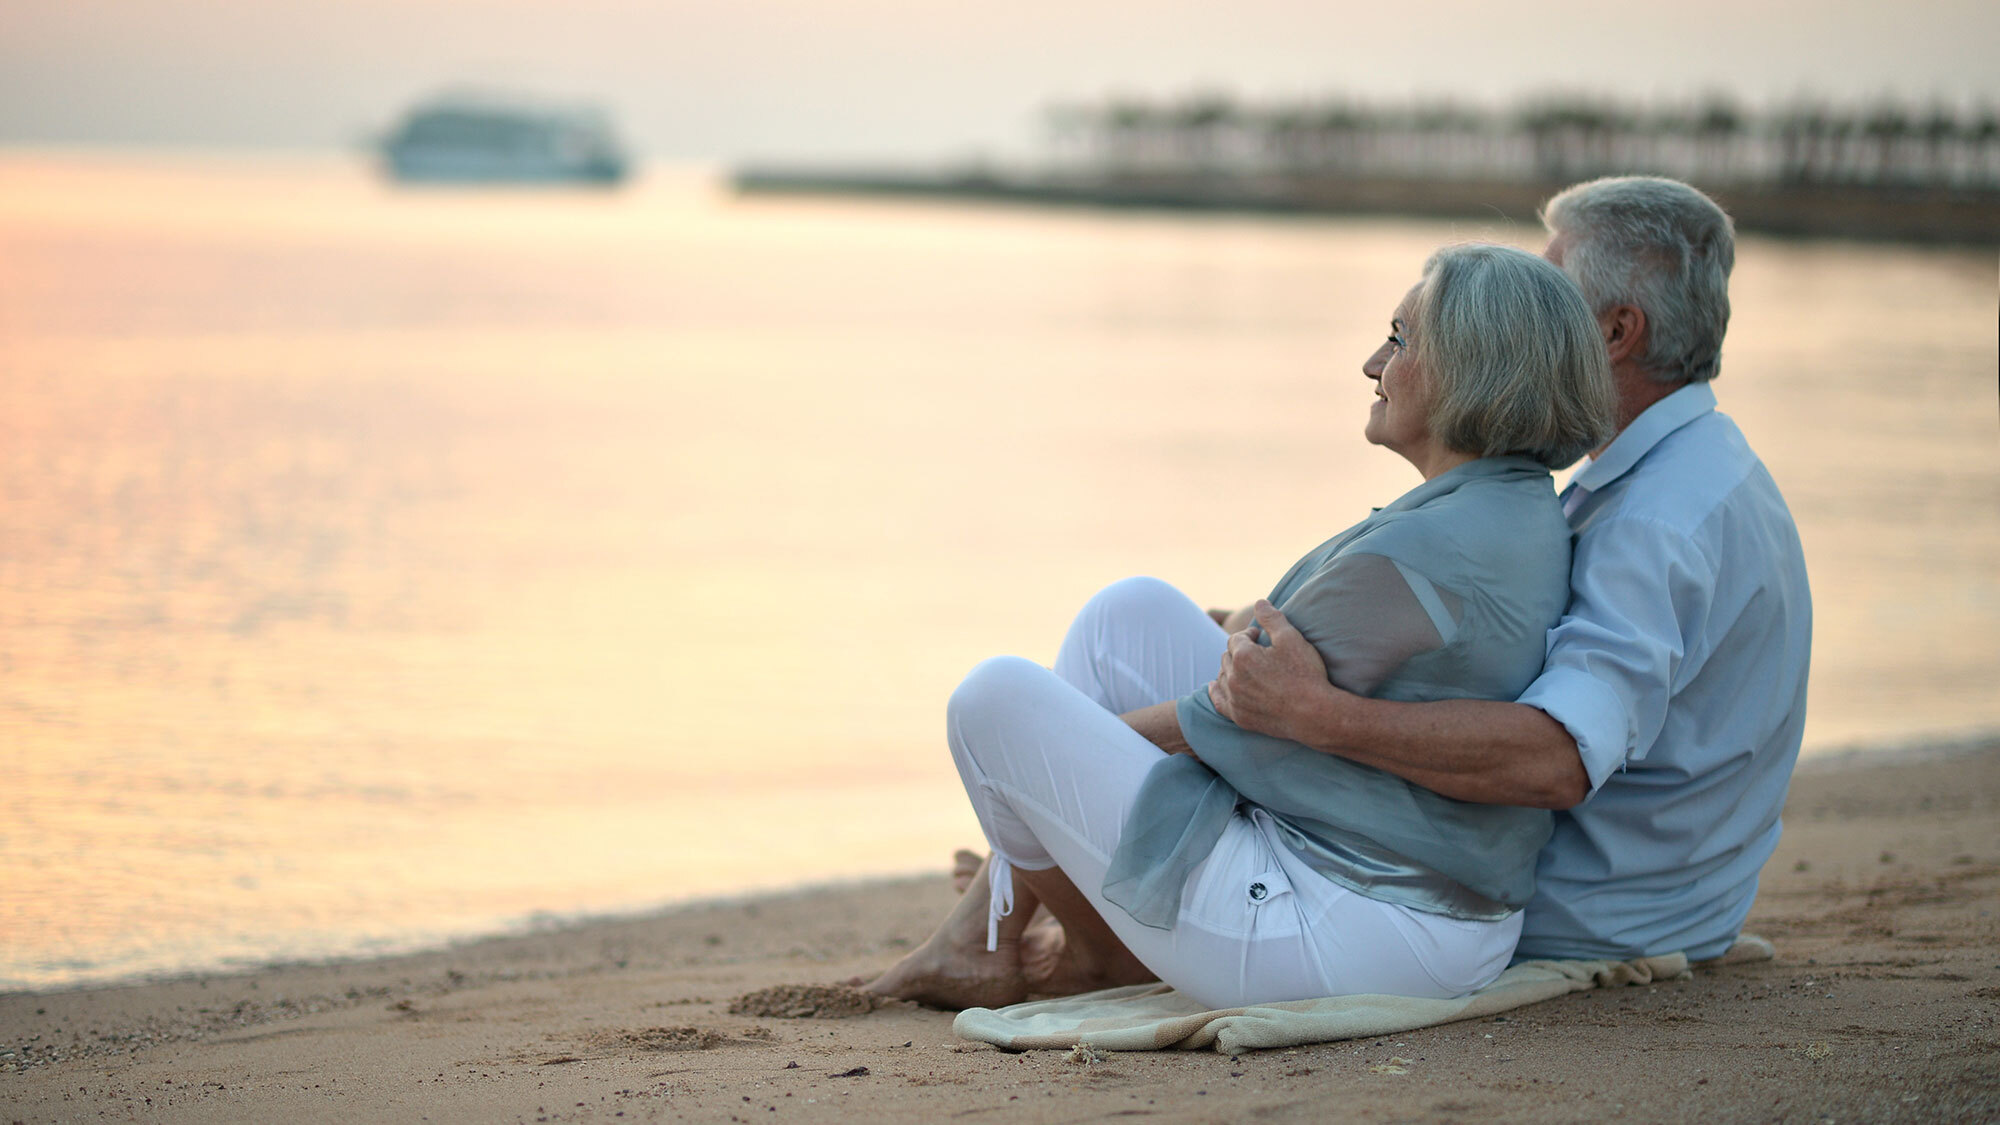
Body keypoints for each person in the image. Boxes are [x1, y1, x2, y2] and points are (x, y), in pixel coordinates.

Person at [866, 243, 1616, 1012]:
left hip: (1355, 928)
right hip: (1434, 912)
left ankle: (1082, 952)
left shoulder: (1427, 547)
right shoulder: (1510, 506)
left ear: (1469, 367)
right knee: (1127, 615)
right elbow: (1286, 655)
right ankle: (999, 933)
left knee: (994, 703)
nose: (1371, 363)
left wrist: (1038, 774)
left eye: (1398, 340)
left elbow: (1228, 717)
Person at [1210, 176, 1813, 963]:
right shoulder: (1710, 468)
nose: (1512, 304)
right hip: (1672, 896)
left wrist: (1314, 713)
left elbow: (1557, 757)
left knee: (1246, 750)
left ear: (1615, 332)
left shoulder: (1651, 525)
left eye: (1546, 286)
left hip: (1587, 911)